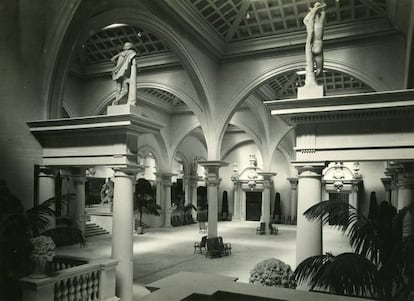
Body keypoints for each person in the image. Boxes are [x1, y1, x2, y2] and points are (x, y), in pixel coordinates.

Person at [303, 2, 326, 85]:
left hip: (314, 46)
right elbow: (322, 14)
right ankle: (313, 78)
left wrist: (314, 9)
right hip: (318, 46)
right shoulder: (319, 24)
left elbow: (306, 20)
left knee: (314, 68)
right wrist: (318, 9)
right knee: (319, 69)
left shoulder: (312, 25)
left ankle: (312, 78)